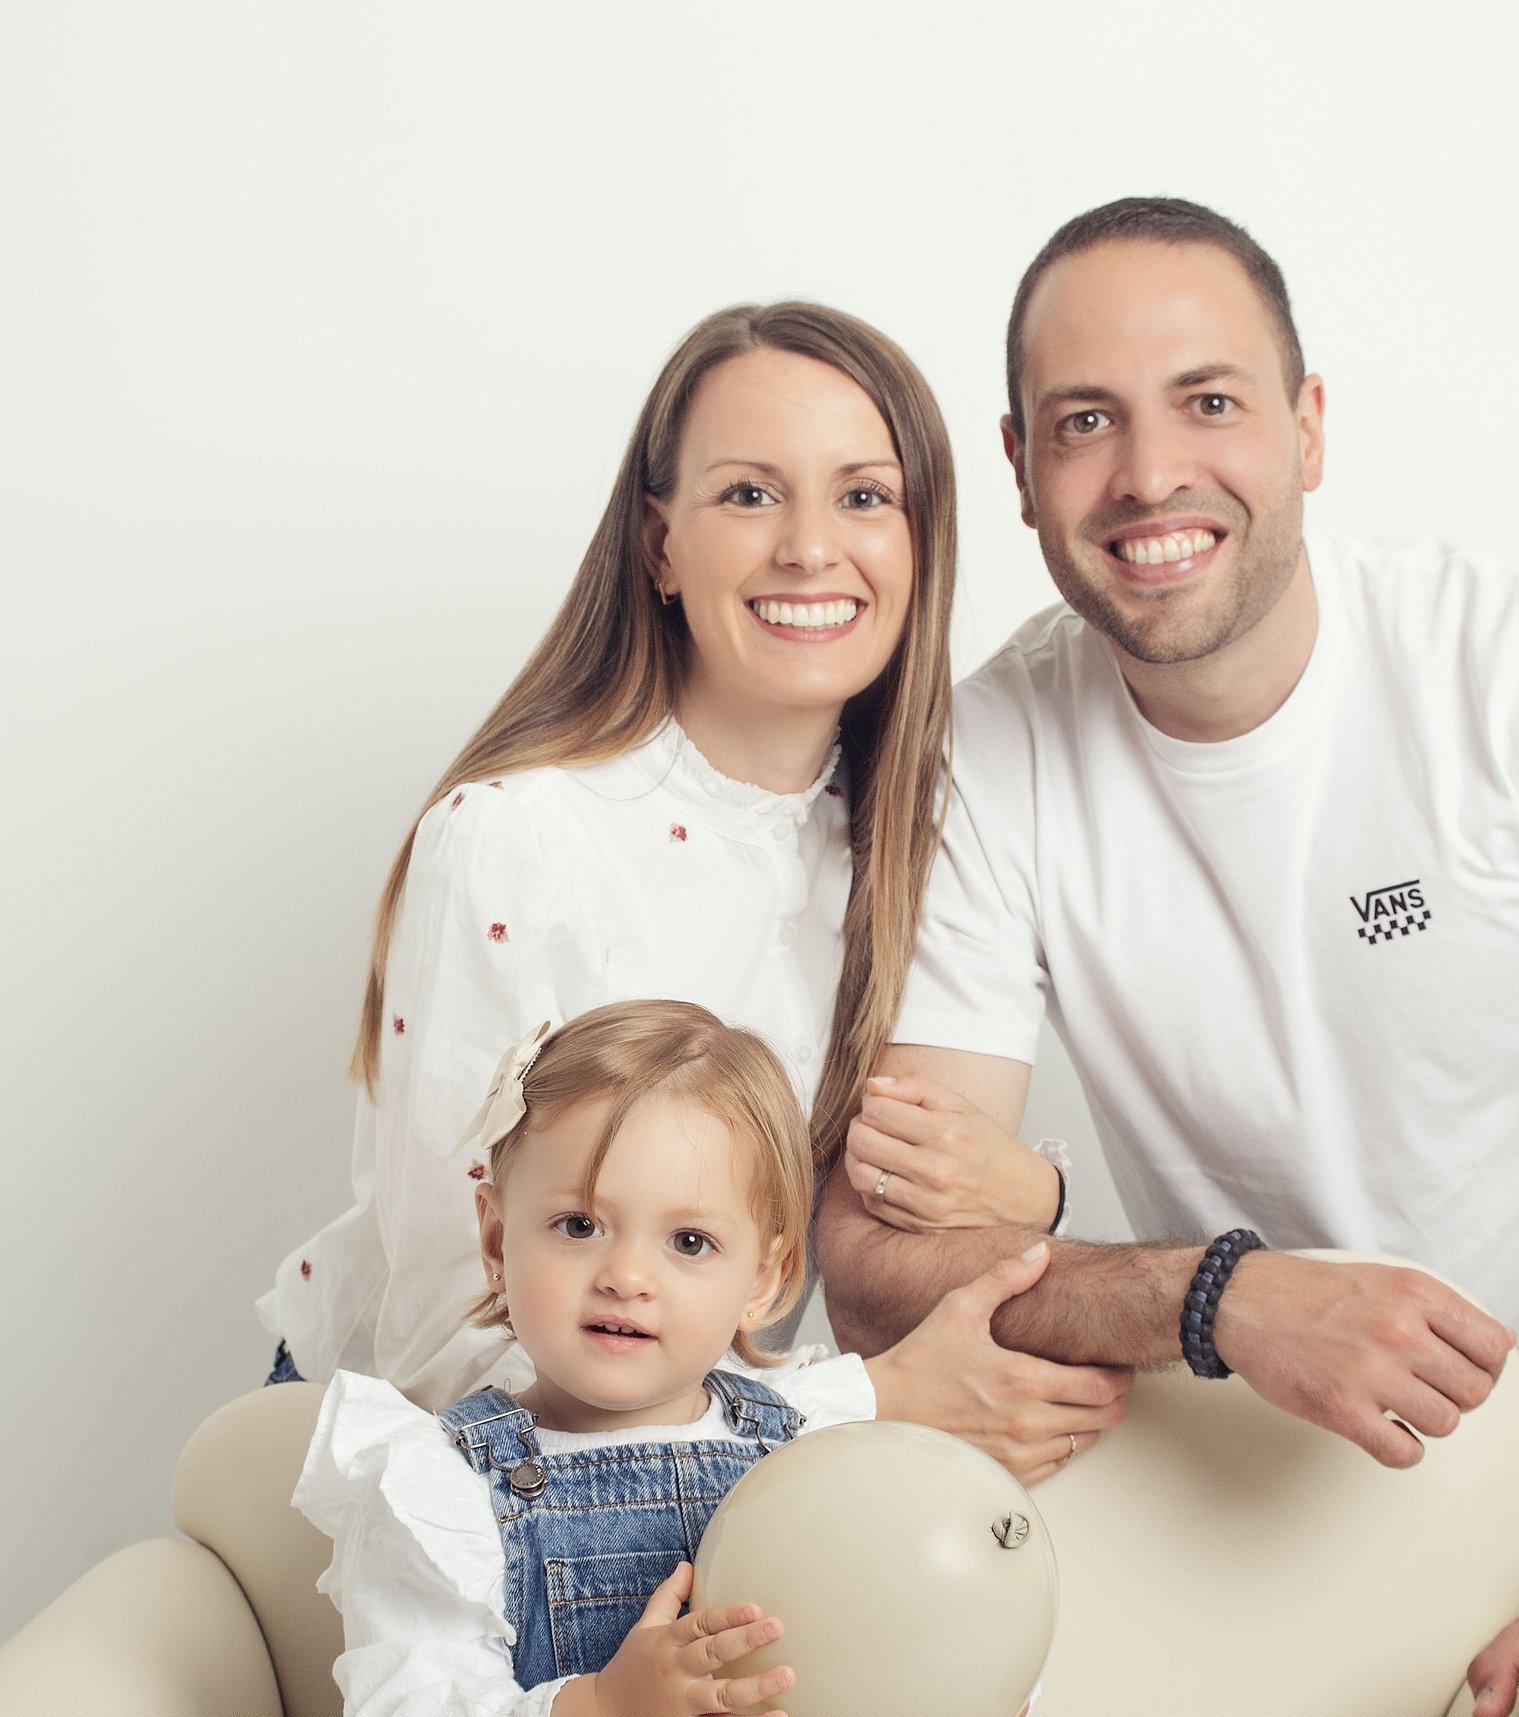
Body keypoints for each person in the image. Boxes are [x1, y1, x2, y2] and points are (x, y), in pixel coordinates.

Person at [818, 198, 1519, 1717]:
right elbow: (876, 1267)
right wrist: (1224, 1296)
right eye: (1084, 423)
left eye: (1209, 400)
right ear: (1020, 464)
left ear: (1310, 427)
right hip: (1281, 1521)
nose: (1148, 475)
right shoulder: (994, 755)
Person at [258, 300, 1126, 1480]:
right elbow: (449, 1353)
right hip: (434, 1481)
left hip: (694, 1460)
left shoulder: (923, 847)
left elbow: (900, 1236)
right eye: (750, 494)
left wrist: (1039, 1199)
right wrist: (859, 1402)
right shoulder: (515, 841)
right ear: (660, 545)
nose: (811, 548)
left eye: (864, 496)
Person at [297, 1001, 1029, 1717]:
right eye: (579, 1225)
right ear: (497, 1242)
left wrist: (968, 1699)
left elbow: (894, 1640)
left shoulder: (815, 1455)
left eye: (689, 1240)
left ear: (766, 1276)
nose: (628, 1276)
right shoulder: (444, 1488)